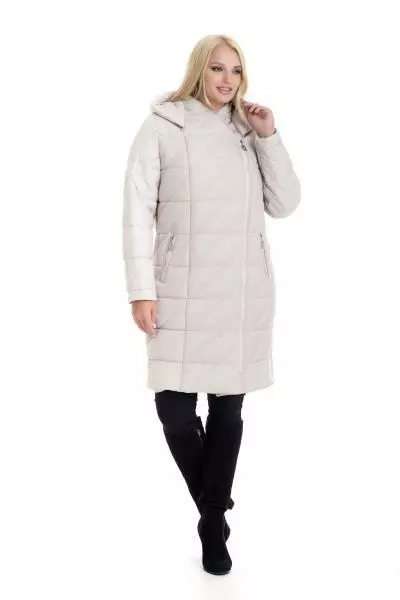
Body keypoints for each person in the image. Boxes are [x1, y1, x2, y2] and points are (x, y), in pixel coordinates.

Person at [122, 34, 301, 575]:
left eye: (236, 71)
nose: (228, 79)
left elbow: (285, 204)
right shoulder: (163, 126)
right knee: (175, 412)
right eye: (219, 68)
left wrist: (269, 136)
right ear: (199, 69)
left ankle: (211, 524)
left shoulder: (248, 129)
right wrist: (141, 290)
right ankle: (214, 504)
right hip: (178, 288)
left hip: (240, 289)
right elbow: (136, 212)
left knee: (227, 410)